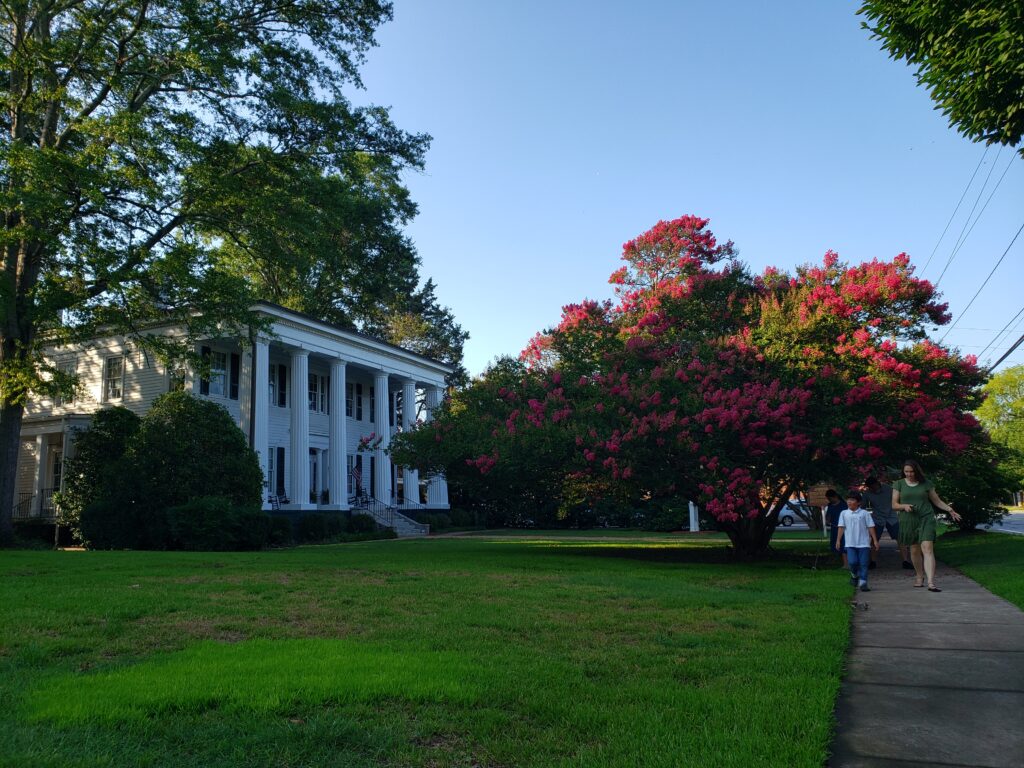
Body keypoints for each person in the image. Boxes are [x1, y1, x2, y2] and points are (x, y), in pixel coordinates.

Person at [892, 459, 962, 592]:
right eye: (906, 471)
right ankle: (919, 576)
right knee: (914, 550)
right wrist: (904, 506)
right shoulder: (898, 484)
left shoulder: (926, 484)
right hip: (908, 519)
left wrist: (949, 510)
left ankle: (931, 582)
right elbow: (894, 505)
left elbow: (937, 501)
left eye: (911, 471)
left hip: (926, 518)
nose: (909, 474)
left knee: (928, 548)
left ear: (916, 471)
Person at [863, 476, 911, 569]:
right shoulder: (867, 493)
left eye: (873, 486)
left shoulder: (888, 488)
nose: (872, 489)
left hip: (892, 517)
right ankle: (872, 562)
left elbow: (898, 499)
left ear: (877, 483)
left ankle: (905, 561)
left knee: (900, 539)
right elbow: (863, 506)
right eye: (870, 488)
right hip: (877, 518)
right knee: (874, 540)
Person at [836, 491, 879, 592]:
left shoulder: (864, 513)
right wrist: (838, 540)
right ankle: (854, 576)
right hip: (850, 544)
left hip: (864, 544)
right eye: (848, 500)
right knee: (852, 562)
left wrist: (875, 540)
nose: (849, 502)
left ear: (858, 502)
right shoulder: (844, 513)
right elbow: (841, 527)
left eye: (852, 500)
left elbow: (871, 527)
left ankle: (863, 583)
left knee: (864, 563)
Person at [824, 489, 848, 566]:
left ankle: (846, 563)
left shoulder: (844, 505)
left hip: (844, 528)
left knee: (843, 544)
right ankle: (836, 560)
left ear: (835, 497)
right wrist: (827, 521)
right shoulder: (830, 505)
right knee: (834, 543)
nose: (829, 500)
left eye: (829, 498)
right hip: (834, 528)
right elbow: (828, 516)